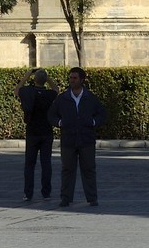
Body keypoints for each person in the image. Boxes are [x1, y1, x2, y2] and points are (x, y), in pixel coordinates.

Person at [50, 67, 106, 206]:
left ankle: (92, 198)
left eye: (75, 78)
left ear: (82, 80)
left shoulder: (90, 98)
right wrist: (60, 122)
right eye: (70, 78)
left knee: (89, 169)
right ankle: (66, 198)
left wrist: (93, 122)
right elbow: (51, 114)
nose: (72, 80)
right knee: (67, 169)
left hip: (86, 139)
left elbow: (102, 114)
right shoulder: (62, 98)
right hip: (68, 140)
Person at [17, 68, 56, 201]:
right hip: (46, 131)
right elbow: (56, 89)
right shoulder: (50, 94)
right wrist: (48, 77)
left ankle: (28, 193)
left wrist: (27, 75)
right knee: (46, 163)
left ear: (34, 79)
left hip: (32, 131)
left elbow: (17, 90)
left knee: (29, 164)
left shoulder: (27, 92)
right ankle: (46, 192)